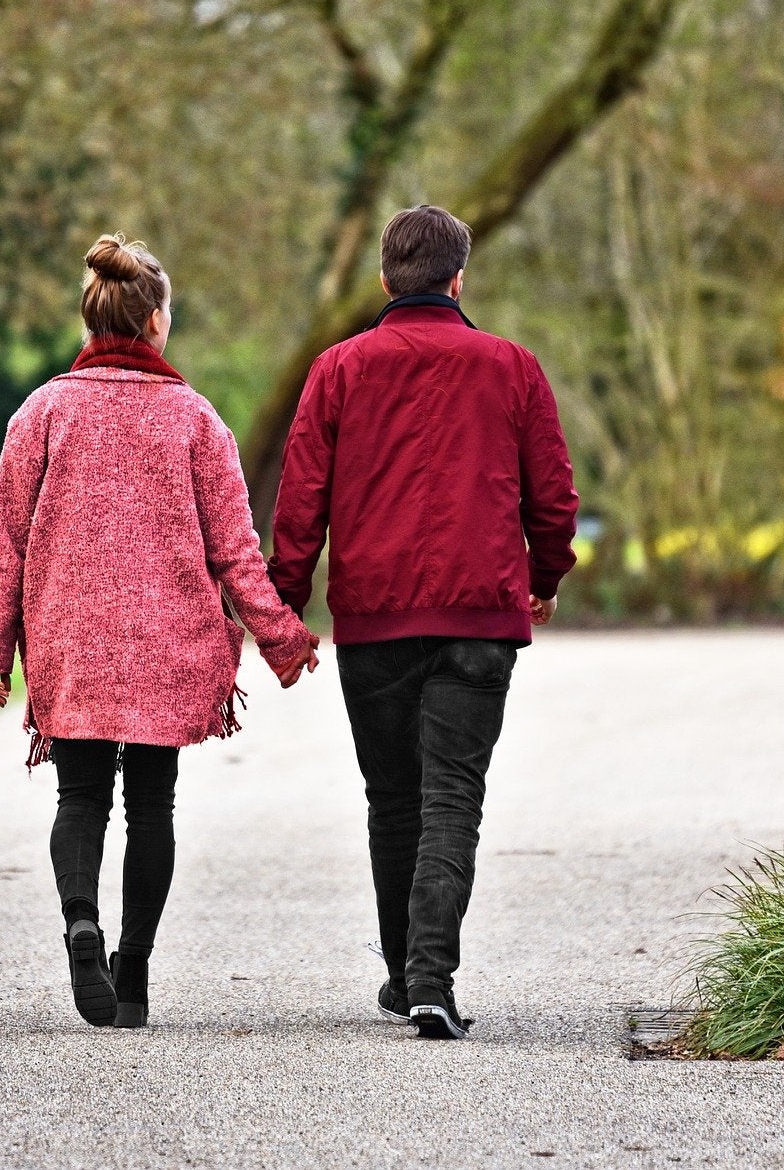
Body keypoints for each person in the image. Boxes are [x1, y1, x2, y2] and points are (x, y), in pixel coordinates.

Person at [0, 234, 319, 1030]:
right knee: (152, 806)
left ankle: (80, 922)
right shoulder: (196, 419)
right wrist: (282, 638)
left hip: (72, 637)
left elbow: (9, 548)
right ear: (157, 322)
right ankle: (132, 977)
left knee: (81, 794)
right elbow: (235, 552)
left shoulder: (41, 414)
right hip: (168, 643)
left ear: (90, 319)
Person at [268, 204, 579, 1039]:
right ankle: (430, 975)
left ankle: (408, 975)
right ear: (458, 278)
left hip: (374, 620)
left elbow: (300, 502)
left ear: (384, 279)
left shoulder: (337, 370)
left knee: (393, 799)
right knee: (452, 798)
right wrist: (544, 577)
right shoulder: (511, 367)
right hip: (480, 617)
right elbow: (553, 495)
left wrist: (284, 609)